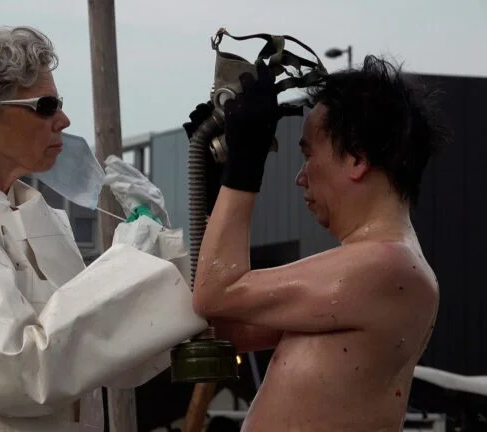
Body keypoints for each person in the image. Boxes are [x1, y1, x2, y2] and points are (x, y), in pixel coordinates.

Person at [0, 26, 206, 432]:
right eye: (45, 105)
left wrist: (156, 252)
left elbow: (104, 358)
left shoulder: (33, 216)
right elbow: (23, 369)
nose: (63, 120)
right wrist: (130, 263)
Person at [185, 55, 450, 431]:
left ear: (357, 158)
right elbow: (224, 331)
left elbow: (215, 293)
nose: (300, 176)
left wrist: (243, 168)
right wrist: (216, 183)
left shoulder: (389, 268)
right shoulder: (375, 268)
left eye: (309, 155)